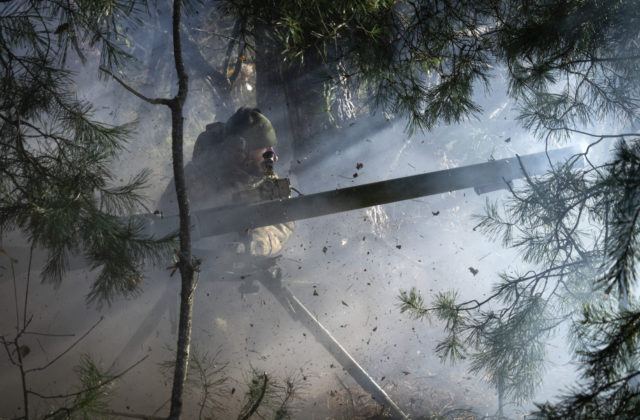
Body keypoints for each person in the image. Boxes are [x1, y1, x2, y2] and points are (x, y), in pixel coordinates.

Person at [158, 107, 293, 259]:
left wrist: (256, 243)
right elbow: (163, 229)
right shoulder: (195, 177)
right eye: (266, 152)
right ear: (241, 148)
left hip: (248, 267)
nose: (274, 158)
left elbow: (285, 222)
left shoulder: (265, 177)